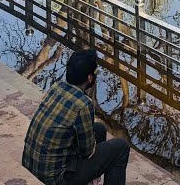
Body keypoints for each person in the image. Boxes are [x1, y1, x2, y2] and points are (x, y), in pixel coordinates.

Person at [23, 50, 130, 185]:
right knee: (121, 148)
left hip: (33, 165)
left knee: (99, 129)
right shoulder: (83, 104)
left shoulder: (57, 87)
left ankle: (90, 179)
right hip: (55, 178)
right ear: (90, 78)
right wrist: (92, 149)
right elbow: (87, 151)